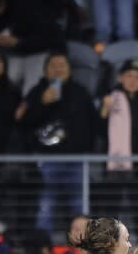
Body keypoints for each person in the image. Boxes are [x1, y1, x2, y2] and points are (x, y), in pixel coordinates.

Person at [21, 51, 98, 232]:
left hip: (77, 161)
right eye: (53, 66)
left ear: (69, 70)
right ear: (45, 70)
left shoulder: (80, 92)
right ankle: (42, 249)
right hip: (47, 161)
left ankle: (83, 252)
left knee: (80, 209)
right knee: (45, 206)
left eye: (62, 65)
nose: (58, 69)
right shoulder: (36, 92)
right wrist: (42, 103)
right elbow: (25, 123)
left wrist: (87, 149)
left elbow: (92, 123)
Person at [100, 59, 138, 226]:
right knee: (111, 210)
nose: (133, 81)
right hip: (114, 164)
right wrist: (104, 110)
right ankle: (109, 247)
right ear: (120, 77)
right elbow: (99, 128)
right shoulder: (110, 97)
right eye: (129, 76)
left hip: (137, 163)